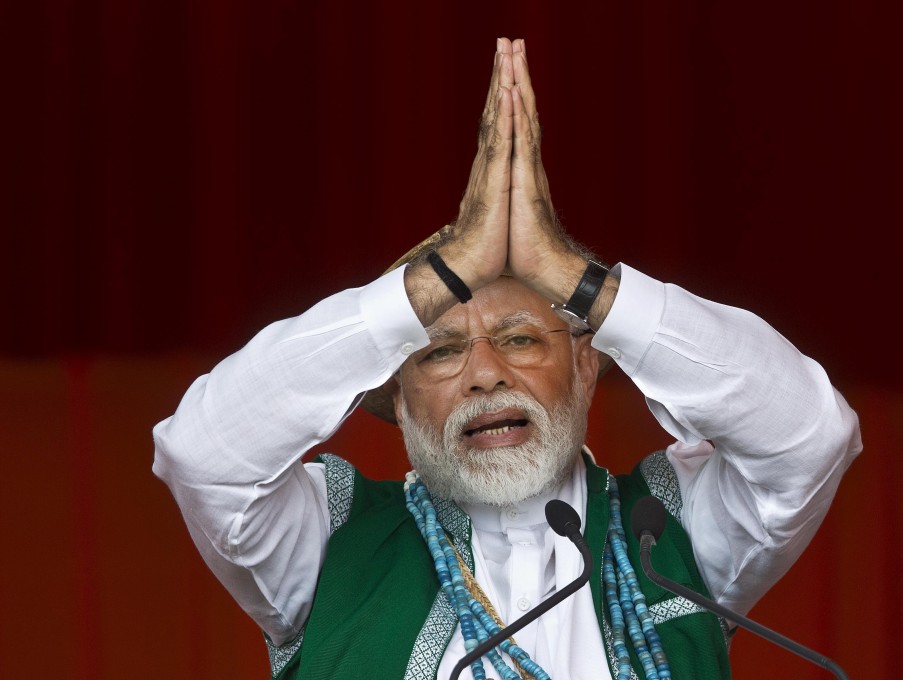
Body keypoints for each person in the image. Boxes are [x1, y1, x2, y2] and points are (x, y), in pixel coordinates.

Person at [153, 37, 862, 680]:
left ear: (583, 367)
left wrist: (577, 282)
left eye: (521, 339)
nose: (486, 374)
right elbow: (204, 456)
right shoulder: (330, 543)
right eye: (441, 352)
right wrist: (444, 272)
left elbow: (810, 434)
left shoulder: (671, 534)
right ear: (396, 398)